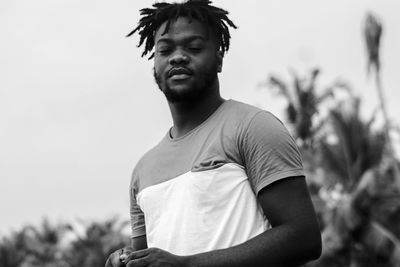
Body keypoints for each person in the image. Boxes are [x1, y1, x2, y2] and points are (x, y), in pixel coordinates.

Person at [106, 0, 322, 266]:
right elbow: (148, 259)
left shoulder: (253, 127)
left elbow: (303, 237)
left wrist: (187, 265)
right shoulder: (143, 170)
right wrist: (124, 261)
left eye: (194, 47)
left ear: (219, 59)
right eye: (165, 50)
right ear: (155, 66)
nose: (178, 56)